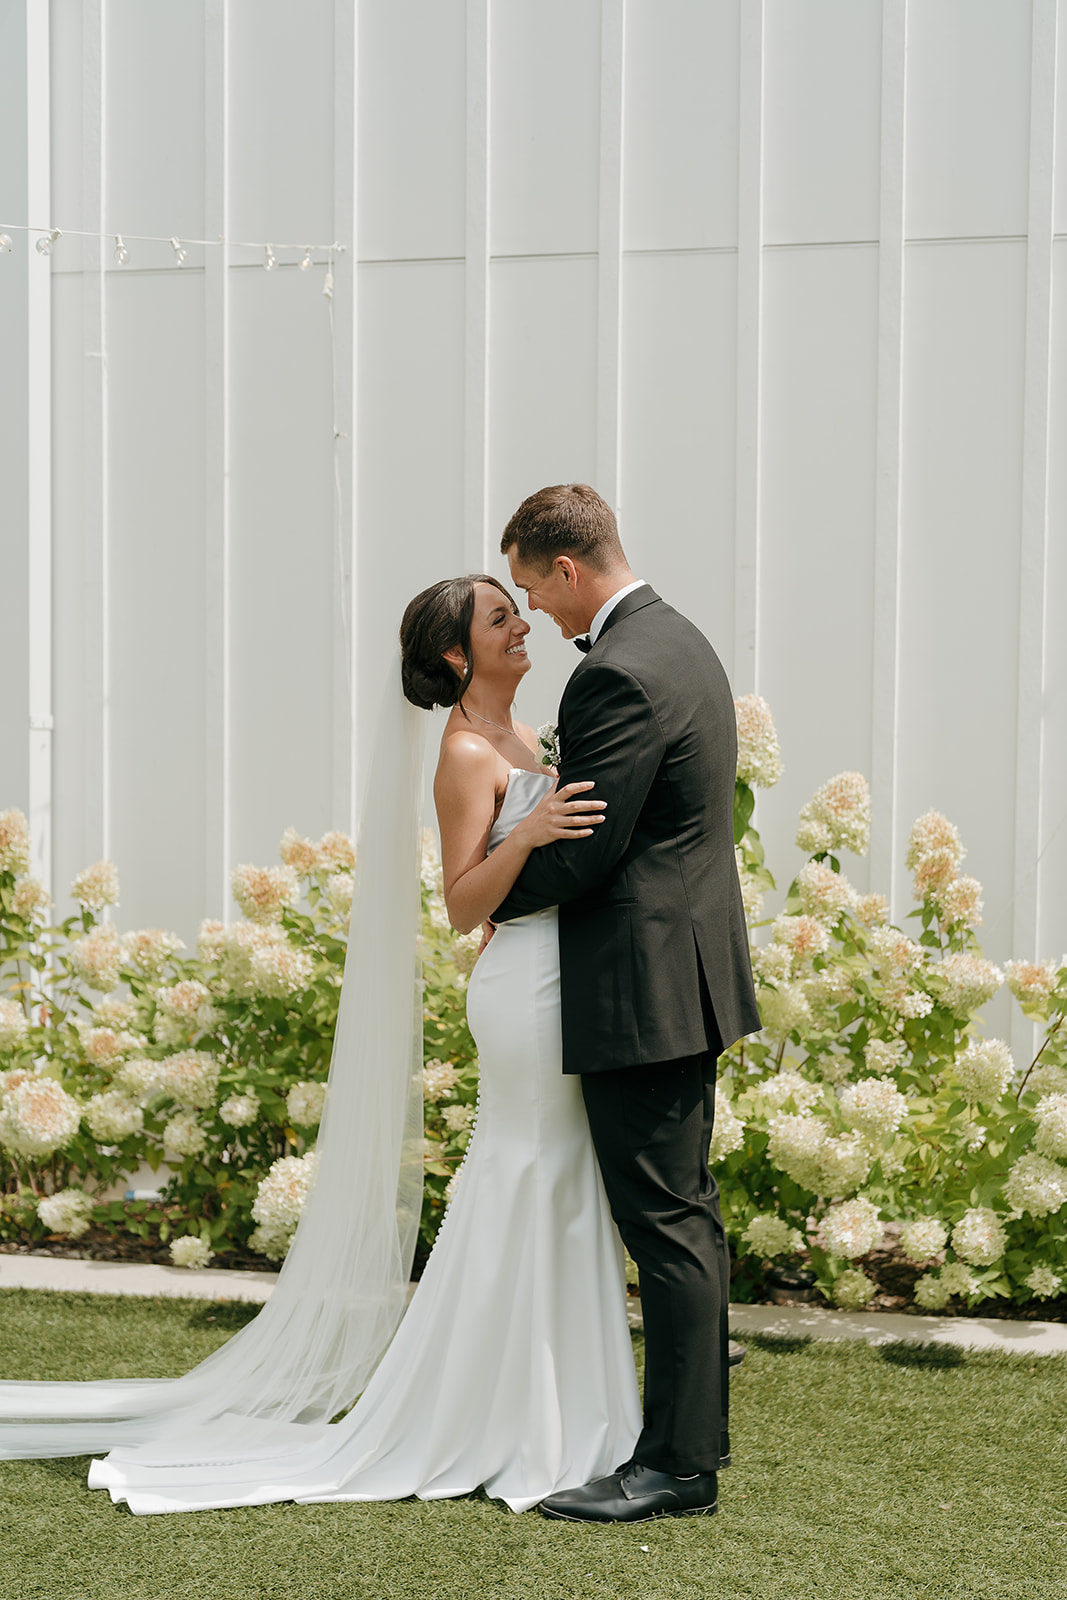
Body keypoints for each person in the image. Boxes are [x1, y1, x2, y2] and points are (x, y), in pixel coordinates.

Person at [74, 571, 644, 1513]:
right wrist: (531, 831)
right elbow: (462, 905)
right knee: (525, 1170)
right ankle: (500, 1418)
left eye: (516, 610)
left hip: (555, 974)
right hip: (518, 993)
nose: (521, 625)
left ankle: (561, 1407)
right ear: (458, 654)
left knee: (560, 1176)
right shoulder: (464, 753)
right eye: (500, 618)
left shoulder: (525, 735)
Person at [493, 483, 760, 1524]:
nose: (537, 615)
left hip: (643, 982)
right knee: (678, 1214)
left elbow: (590, 844)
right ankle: (678, 1449)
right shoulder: (679, 639)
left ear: (569, 569)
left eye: (532, 589)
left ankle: (675, 1467)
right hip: (678, 969)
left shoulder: (615, 673)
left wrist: (485, 893)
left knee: (666, 1222)